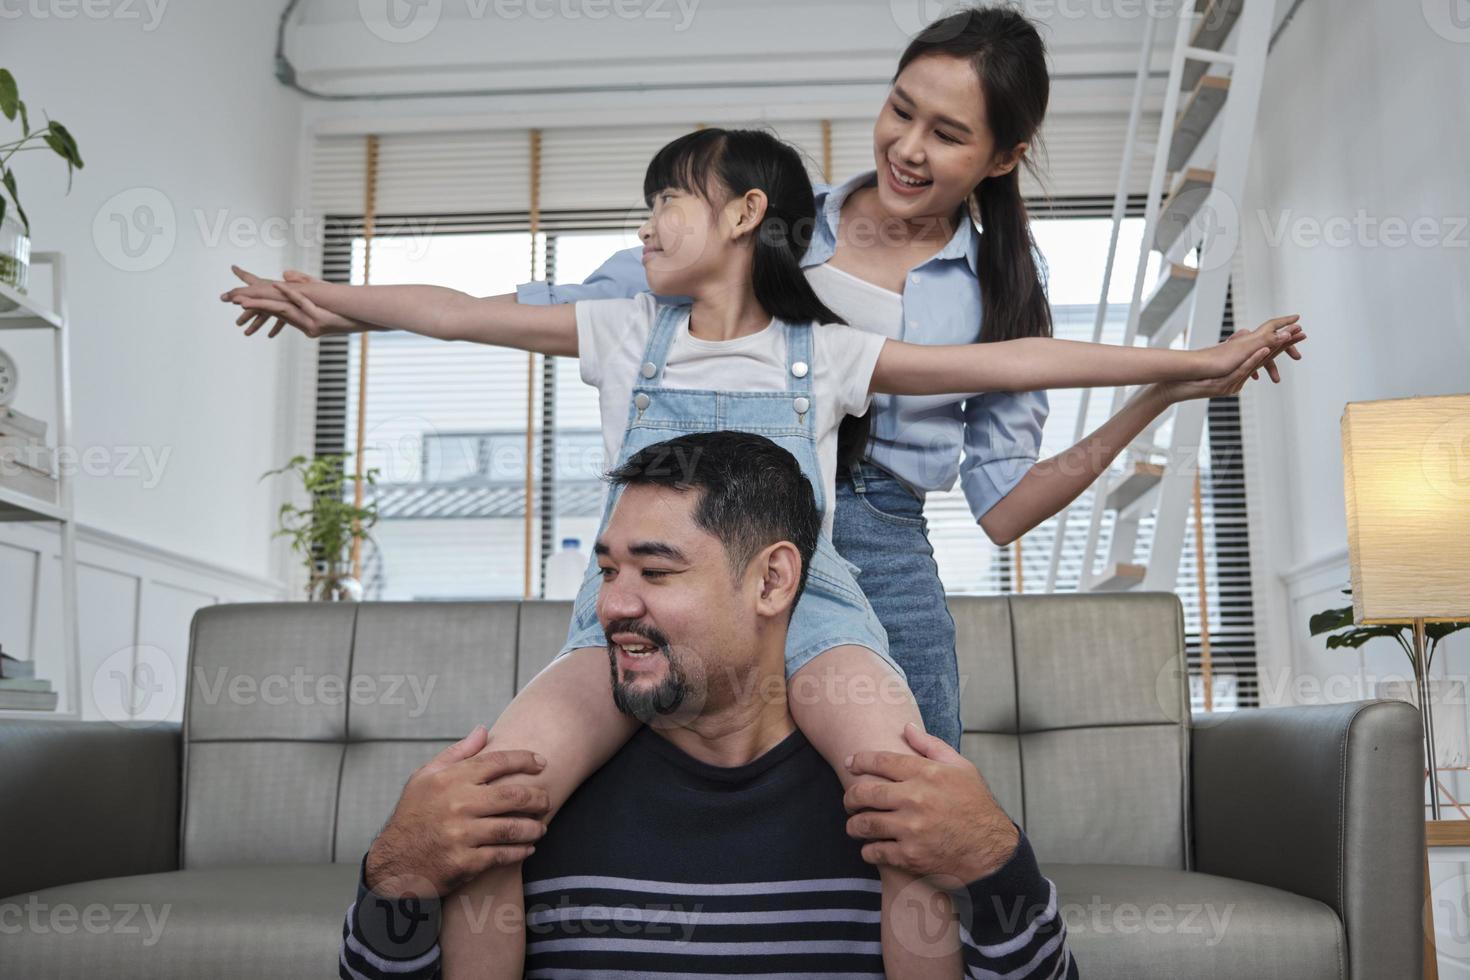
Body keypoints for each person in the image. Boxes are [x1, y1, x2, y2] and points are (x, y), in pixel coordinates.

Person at [225, 121, 1300, 976]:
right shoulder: (619, 327)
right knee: (494, 801)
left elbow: (1015, 356)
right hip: (631, 616)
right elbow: (453, 311)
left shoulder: (825, 350)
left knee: (905, 787)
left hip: (814, 606)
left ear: (743, 212)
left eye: (665, 199)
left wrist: (1193, 359)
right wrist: (328, 304)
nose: (644, 224)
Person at [339, 431, 1078, 979]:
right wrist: (396, 874)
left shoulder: (901, 807)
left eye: (656, 572)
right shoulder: (519, 802)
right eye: (606, 570)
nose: (612, 605)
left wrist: (995, 863)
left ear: (772, 581)